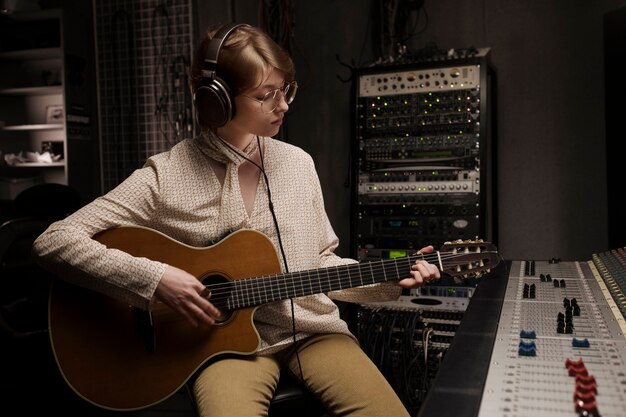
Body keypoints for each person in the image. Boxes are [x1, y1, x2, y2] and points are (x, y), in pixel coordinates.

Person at [32, 23, 440, 417]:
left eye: (286, 91)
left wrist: (390, 280)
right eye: (266, 95)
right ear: (217, 100)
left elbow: (317, 265)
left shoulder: (298, 164)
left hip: (312, 332)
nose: (283, 105)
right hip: (223, 347)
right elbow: (54, 241)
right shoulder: (166, 174)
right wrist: (155, 280)